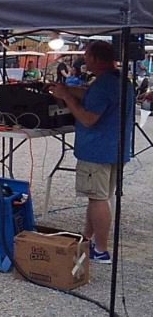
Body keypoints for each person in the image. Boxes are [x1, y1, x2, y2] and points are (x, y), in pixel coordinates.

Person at [50, 41, 134, 264]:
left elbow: (88, 119)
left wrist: (67, 97)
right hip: (115, 149)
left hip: (96, 151)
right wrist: (68, 90)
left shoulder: (103, 85)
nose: (84, 60)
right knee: (98, 197)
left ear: (96, 58)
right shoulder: (120, 81)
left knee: (98, 200)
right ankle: (87, 238)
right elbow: (91, 95)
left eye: (86, 56)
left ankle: (101, 250)